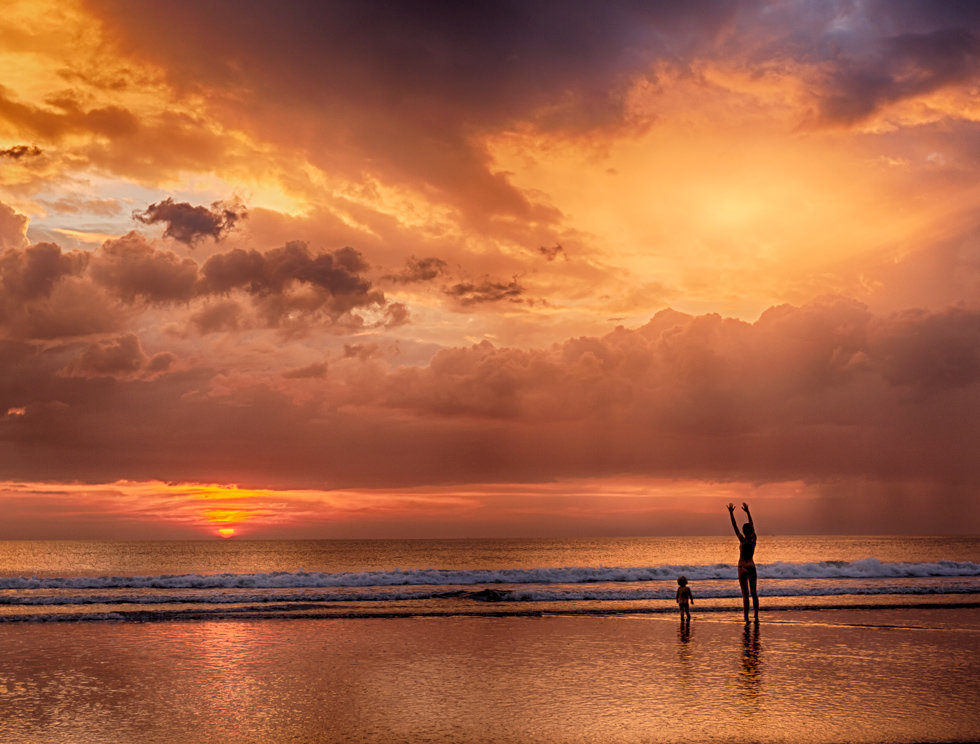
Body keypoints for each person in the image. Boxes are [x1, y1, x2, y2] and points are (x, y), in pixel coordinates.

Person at [728, 501, 759, 622]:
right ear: (751, 531)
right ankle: (756, 616)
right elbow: (752, 525)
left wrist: (731, 513)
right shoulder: (753, 539)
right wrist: (748, 512)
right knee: (754, 593)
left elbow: (734, 527)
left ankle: (746, 618)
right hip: (751, 566)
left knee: (745, 595)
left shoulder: (742, 540)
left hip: (742, 567)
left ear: (744, 531)